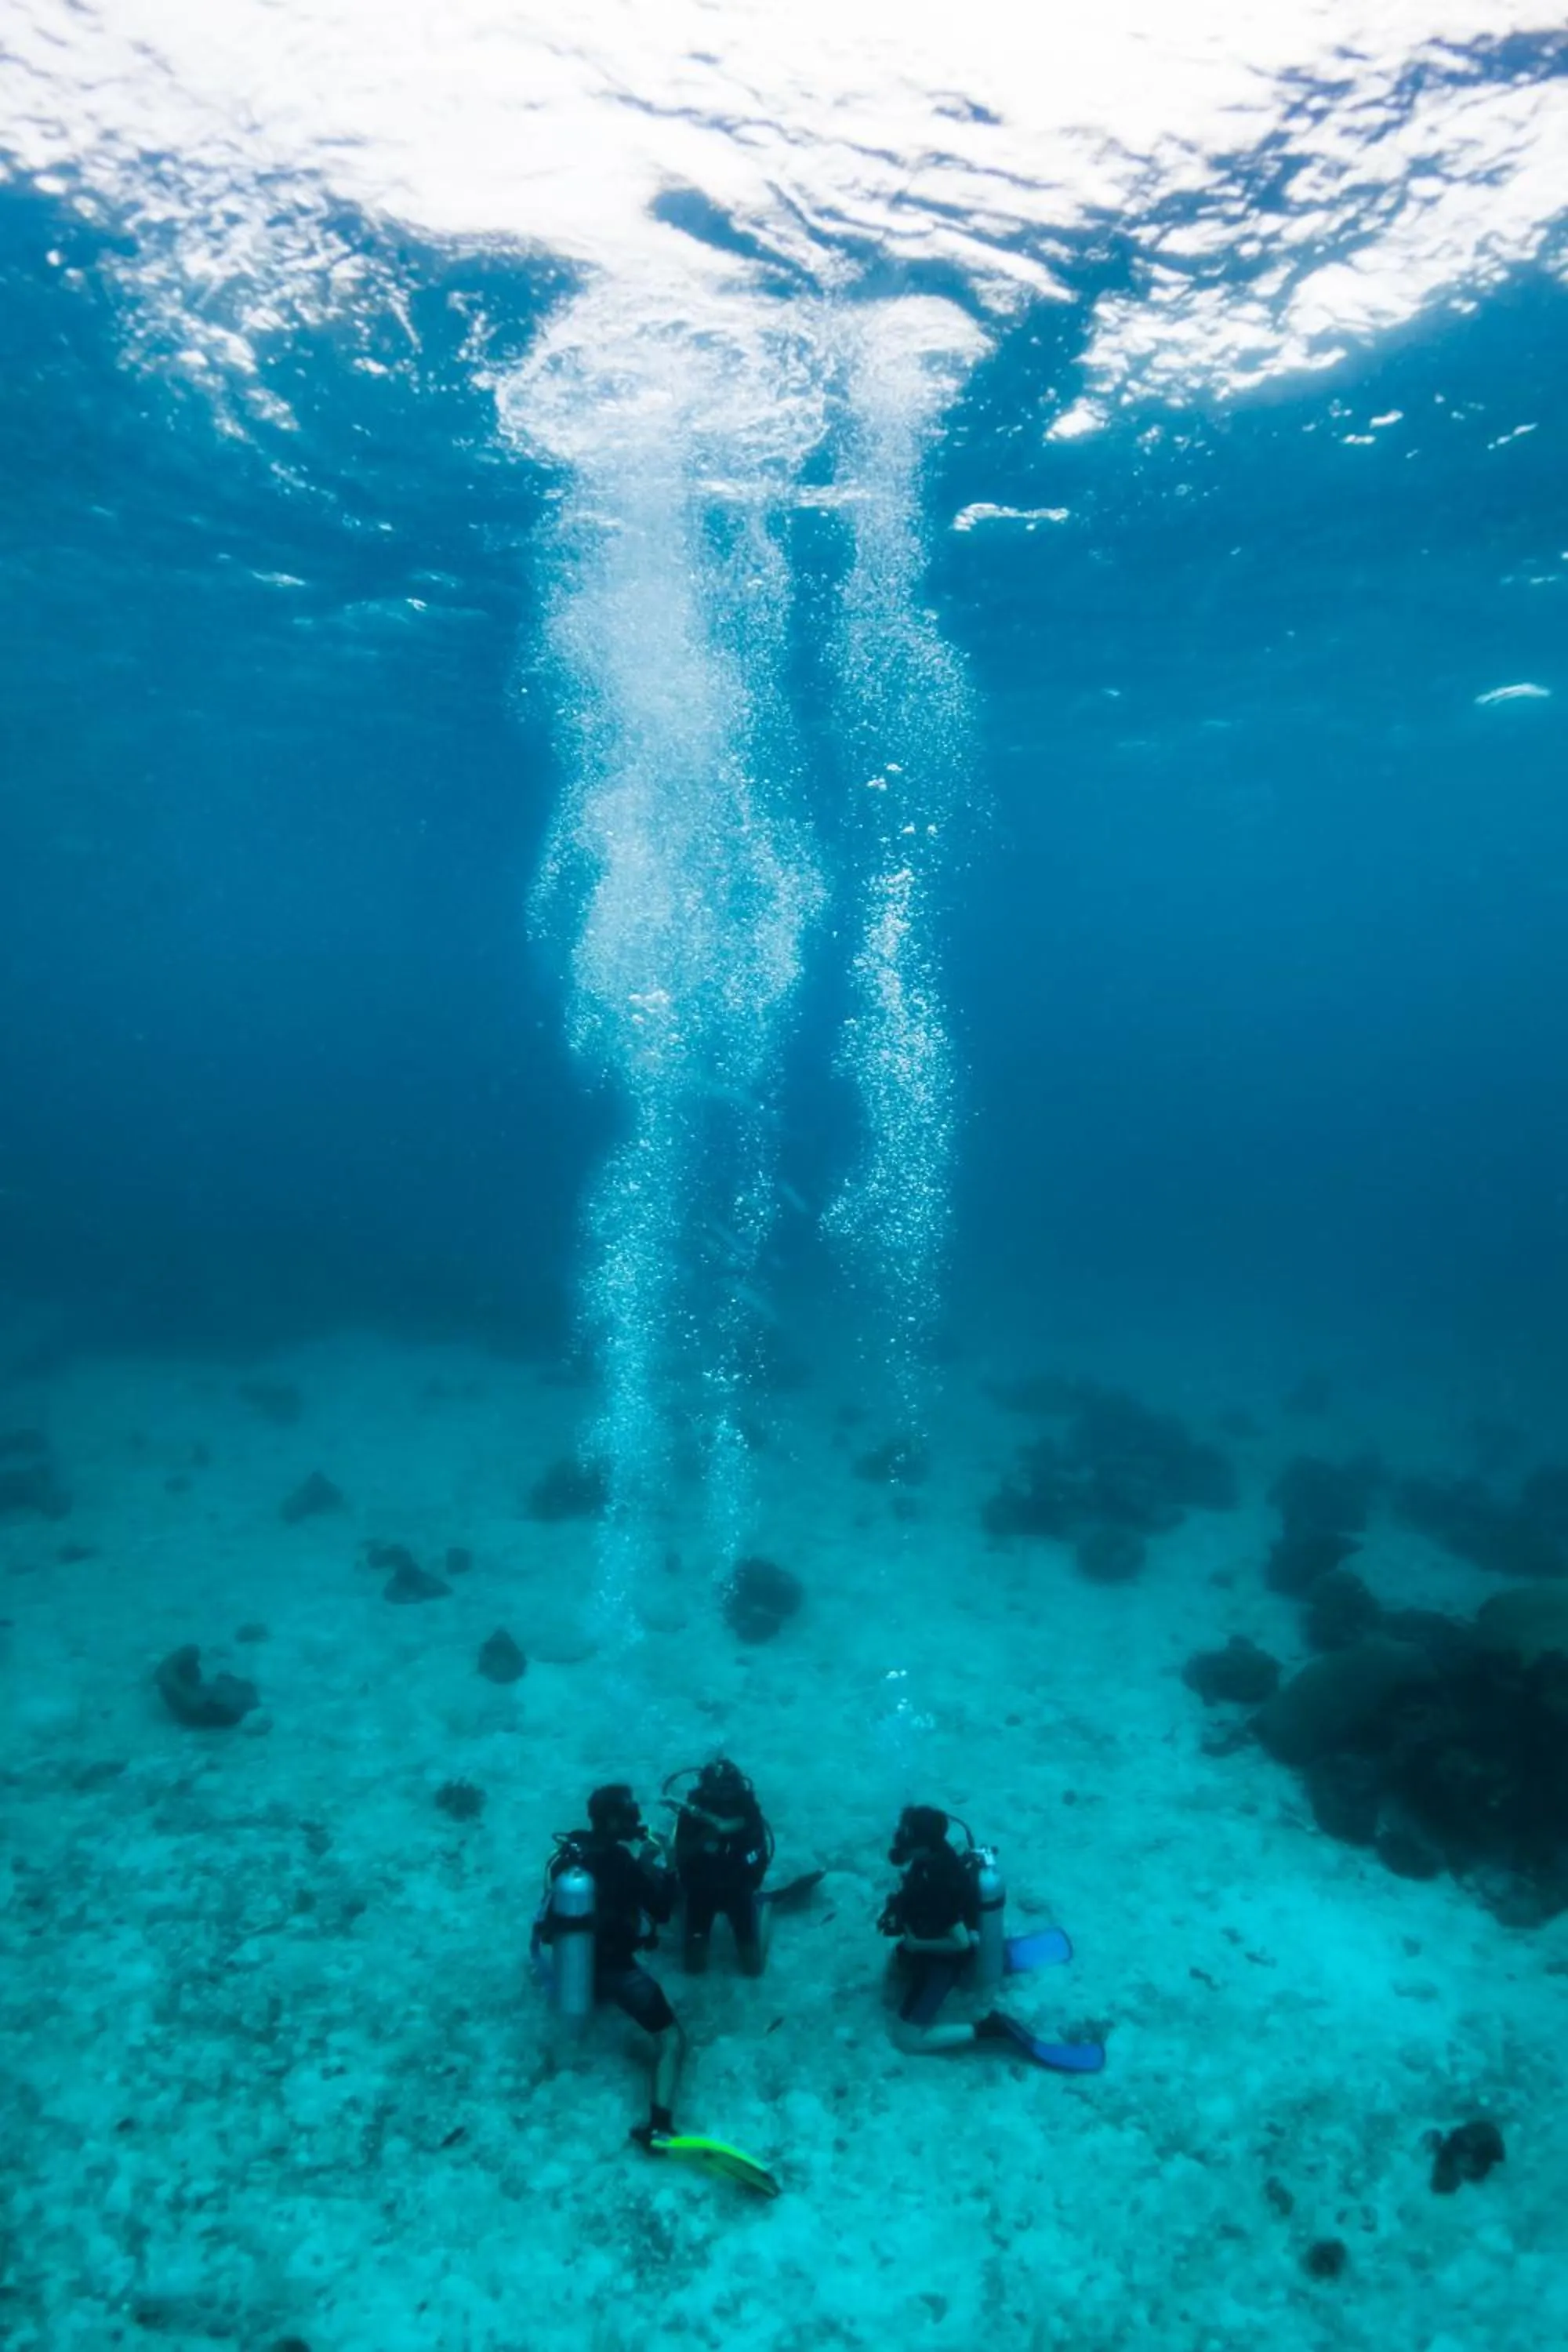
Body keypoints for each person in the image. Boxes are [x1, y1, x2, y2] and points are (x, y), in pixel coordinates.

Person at [878, 1803, 1087, 2066]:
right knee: (897, 1976)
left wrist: (917, 1944)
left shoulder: (940, 1887)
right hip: (931, 1941)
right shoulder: (932, 1857)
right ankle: (985, 1961)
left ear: (925, 1845)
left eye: (909, 1839)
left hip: (945, 1960)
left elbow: (960, 1943)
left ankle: (991, 2028)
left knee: (907, 2040)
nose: (901, 1841)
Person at [541, 1781, 686, 2148]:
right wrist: (668, 1862)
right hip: (616, 1970)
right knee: (672, 2039)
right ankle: (660, 2125)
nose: (636, 1819)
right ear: (611, 1822)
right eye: (629, 1815)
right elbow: (662, 1911)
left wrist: (640, 1866)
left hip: (576, 1968)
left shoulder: (571, 1852)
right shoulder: (621, 1863)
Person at [663, 1758, 775, 1975]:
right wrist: (707, 1835)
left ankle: (763, 1905)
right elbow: (681, 1853)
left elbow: (759, 1857)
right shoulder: (692, 1811)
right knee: (695, 1967)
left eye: (728, 1790)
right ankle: (685, 1909)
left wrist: (748, 1884)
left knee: (754, 1968)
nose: (723, 1797)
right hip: (700, 1890)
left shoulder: (748, 1811)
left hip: (738, 1890)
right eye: (717, 1790)